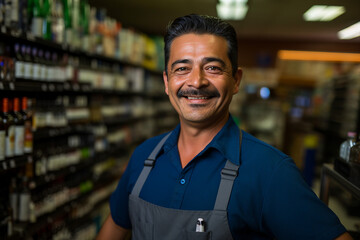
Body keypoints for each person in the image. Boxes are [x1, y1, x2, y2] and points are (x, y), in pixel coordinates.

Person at [97, 14, 353, 240]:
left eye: (213, 68)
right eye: (182, 68)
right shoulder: (144, 157)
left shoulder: (270, 171)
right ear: (167, 81)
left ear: (236, 80)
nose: (196, 81)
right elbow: (114, 230)